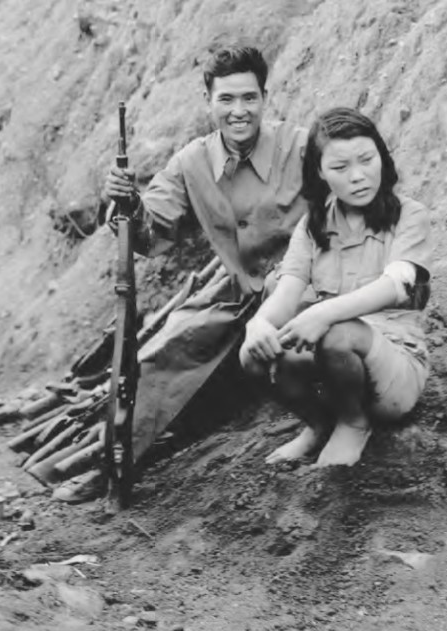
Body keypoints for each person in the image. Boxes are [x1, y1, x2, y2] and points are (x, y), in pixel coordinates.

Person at [54, 45, 308, 503]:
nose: (239, 111)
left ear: (265, 98)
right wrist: (127, 204)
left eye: (249, 98)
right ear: (208, 101)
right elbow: (151, 234)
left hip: (306, 289)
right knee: (163, 354)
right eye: (226, 99)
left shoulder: (302, 146)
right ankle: (114, 463)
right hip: (238, 296)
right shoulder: (191, 162)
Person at [239, 108, 432, 467]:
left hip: (395, 370)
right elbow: (285, 294)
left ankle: (353, 424)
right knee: (254, 354)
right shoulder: (312, 228)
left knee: (336, 330)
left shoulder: (409, 215)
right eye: (341, 168)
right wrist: (258, 325)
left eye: (366, 160)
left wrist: (323, 312)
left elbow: (399, 285)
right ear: (320, 173)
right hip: (334, 369)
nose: (358, 176)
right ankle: (317, 424)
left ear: (382, 157)